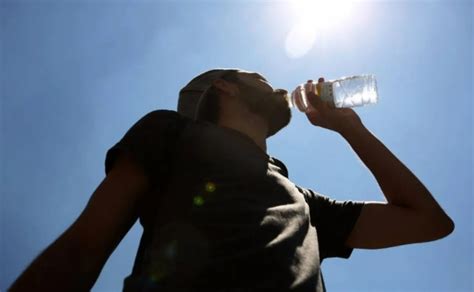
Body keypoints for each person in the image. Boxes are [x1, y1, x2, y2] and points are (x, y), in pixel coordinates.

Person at [9, 68, 454, 292]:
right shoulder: (173, 131)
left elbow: (429, 222)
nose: (275, 84)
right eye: (257, 77)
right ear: (226, 87)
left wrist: (350, 129)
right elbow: (84, 247)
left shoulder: (301, 200)